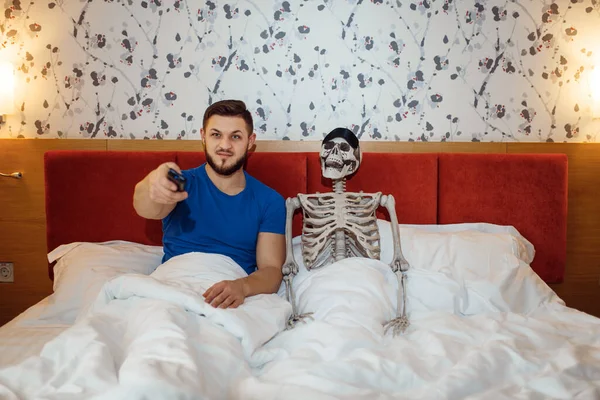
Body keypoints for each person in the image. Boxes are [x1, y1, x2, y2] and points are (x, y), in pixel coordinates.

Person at [133, 99, 286, 309]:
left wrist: (242, 287)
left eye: (235, 136)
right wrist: (153, 182)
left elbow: (271, 270)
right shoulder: (179, 184)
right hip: (172, 286)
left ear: (250, 142)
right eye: (216, 135)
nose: (225, 145)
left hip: (228, 290)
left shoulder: (270, 201)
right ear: (203, 137)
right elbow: (145, 207)